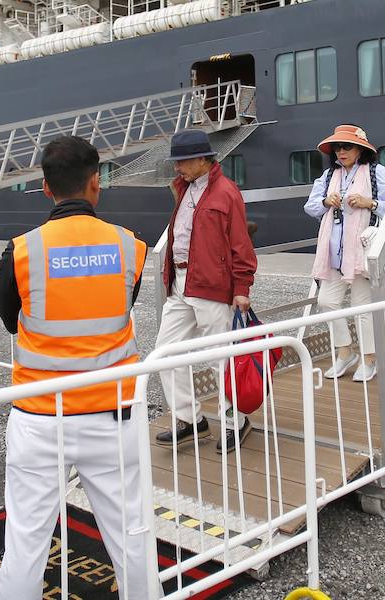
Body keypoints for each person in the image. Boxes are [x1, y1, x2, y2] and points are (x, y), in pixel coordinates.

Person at [0, 136, 150, 598]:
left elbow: (10, 320)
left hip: (40, 416)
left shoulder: (20, 252)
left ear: (46, 188)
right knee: (132, 537)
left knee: (24, 541)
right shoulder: (129, 247)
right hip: (113, 416)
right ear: (96, 183)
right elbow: (125, 304)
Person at [154, 129, 257, 454]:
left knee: (220, 358)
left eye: (182, 161)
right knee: (165, 353)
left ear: (202, 159)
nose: (176, 168)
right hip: (180, 282)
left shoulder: (226, 192)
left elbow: (240, 242)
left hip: (212, 285)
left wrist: (242, 287)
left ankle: (235, 422)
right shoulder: (183, 189)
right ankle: (189, 419)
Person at [304, 124, 385, 380]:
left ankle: (369, 359)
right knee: (326, 301)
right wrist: (325, 201)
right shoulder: (327, 176)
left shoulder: (379, 173)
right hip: (333, 252)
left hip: (363, 251)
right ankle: (346, 352)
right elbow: (310, 207)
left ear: (360, 149)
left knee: (362, 307)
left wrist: (371, 203)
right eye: (337, 148)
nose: (340, 152)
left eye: (346, 147)